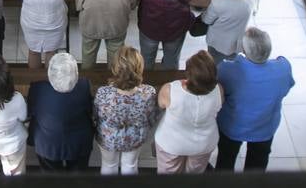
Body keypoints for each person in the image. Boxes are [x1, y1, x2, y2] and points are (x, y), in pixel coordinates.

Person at [216, 28, 294, 171]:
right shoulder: (283, 68)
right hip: (264, 127)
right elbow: (287, 87)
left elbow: (218, 93)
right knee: (257, 165)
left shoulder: (227, 69)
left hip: (232, 126)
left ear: (244, 50)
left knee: (225, 160)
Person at [154, 50, 223, 174]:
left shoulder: (170, 89)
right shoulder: (219, 90)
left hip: (171, 142)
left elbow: (161, 105)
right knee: (194, 177)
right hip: (203, 143)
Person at [94, 46, 158, 175]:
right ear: (139, 68)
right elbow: (152, 118)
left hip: (108, 137)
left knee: (108, 165)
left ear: (115, 68)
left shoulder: (103, 92)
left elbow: (96, 115)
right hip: (135, 136)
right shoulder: (149, 92)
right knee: (130, 165)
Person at [28, 53, 94, 170]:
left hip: (47, 143)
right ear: (75, 74)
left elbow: (30, 111)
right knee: (79, 176)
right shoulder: (84, 85)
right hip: (79, 143)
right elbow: (90, 110)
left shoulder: (37, 88)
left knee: (51, 177)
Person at [200, 0, 257, 64]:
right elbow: (253, 12)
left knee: (214, 63)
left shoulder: (217, 2)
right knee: (231, 63)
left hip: (217, 42)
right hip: (237, 43)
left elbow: (207, 20)